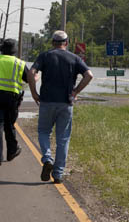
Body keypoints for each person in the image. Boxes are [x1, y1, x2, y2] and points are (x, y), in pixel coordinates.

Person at [27, 30, 93, 183]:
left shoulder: (45, 56)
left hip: (46, 102)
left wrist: (34, 93)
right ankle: (57, 175)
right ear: (67, 43)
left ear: (52, 43)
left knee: (44, 132)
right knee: (63, 138)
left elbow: (31, 73)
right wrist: (76, 91)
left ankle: (47, 159)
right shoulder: (75, 58)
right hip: (66, 103)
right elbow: (89, 75)